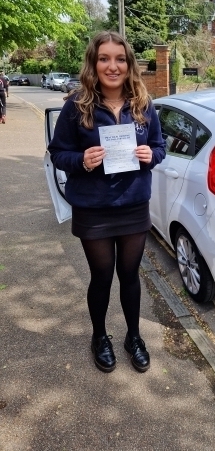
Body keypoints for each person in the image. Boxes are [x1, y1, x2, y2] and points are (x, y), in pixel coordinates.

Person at [48, 31, 166, 373]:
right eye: (104, 59)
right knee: (101, 277)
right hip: (93, 208)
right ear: (93, 63)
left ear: (128, 64)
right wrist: (82, 160)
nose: (112, 66)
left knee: (129, 275)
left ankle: (133, 336)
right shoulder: (76, 105)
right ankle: (100, 336)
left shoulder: (144, 105)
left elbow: (160, 147)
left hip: (132, 205)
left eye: (119, 59)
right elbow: (57, 153)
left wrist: (150, 155)